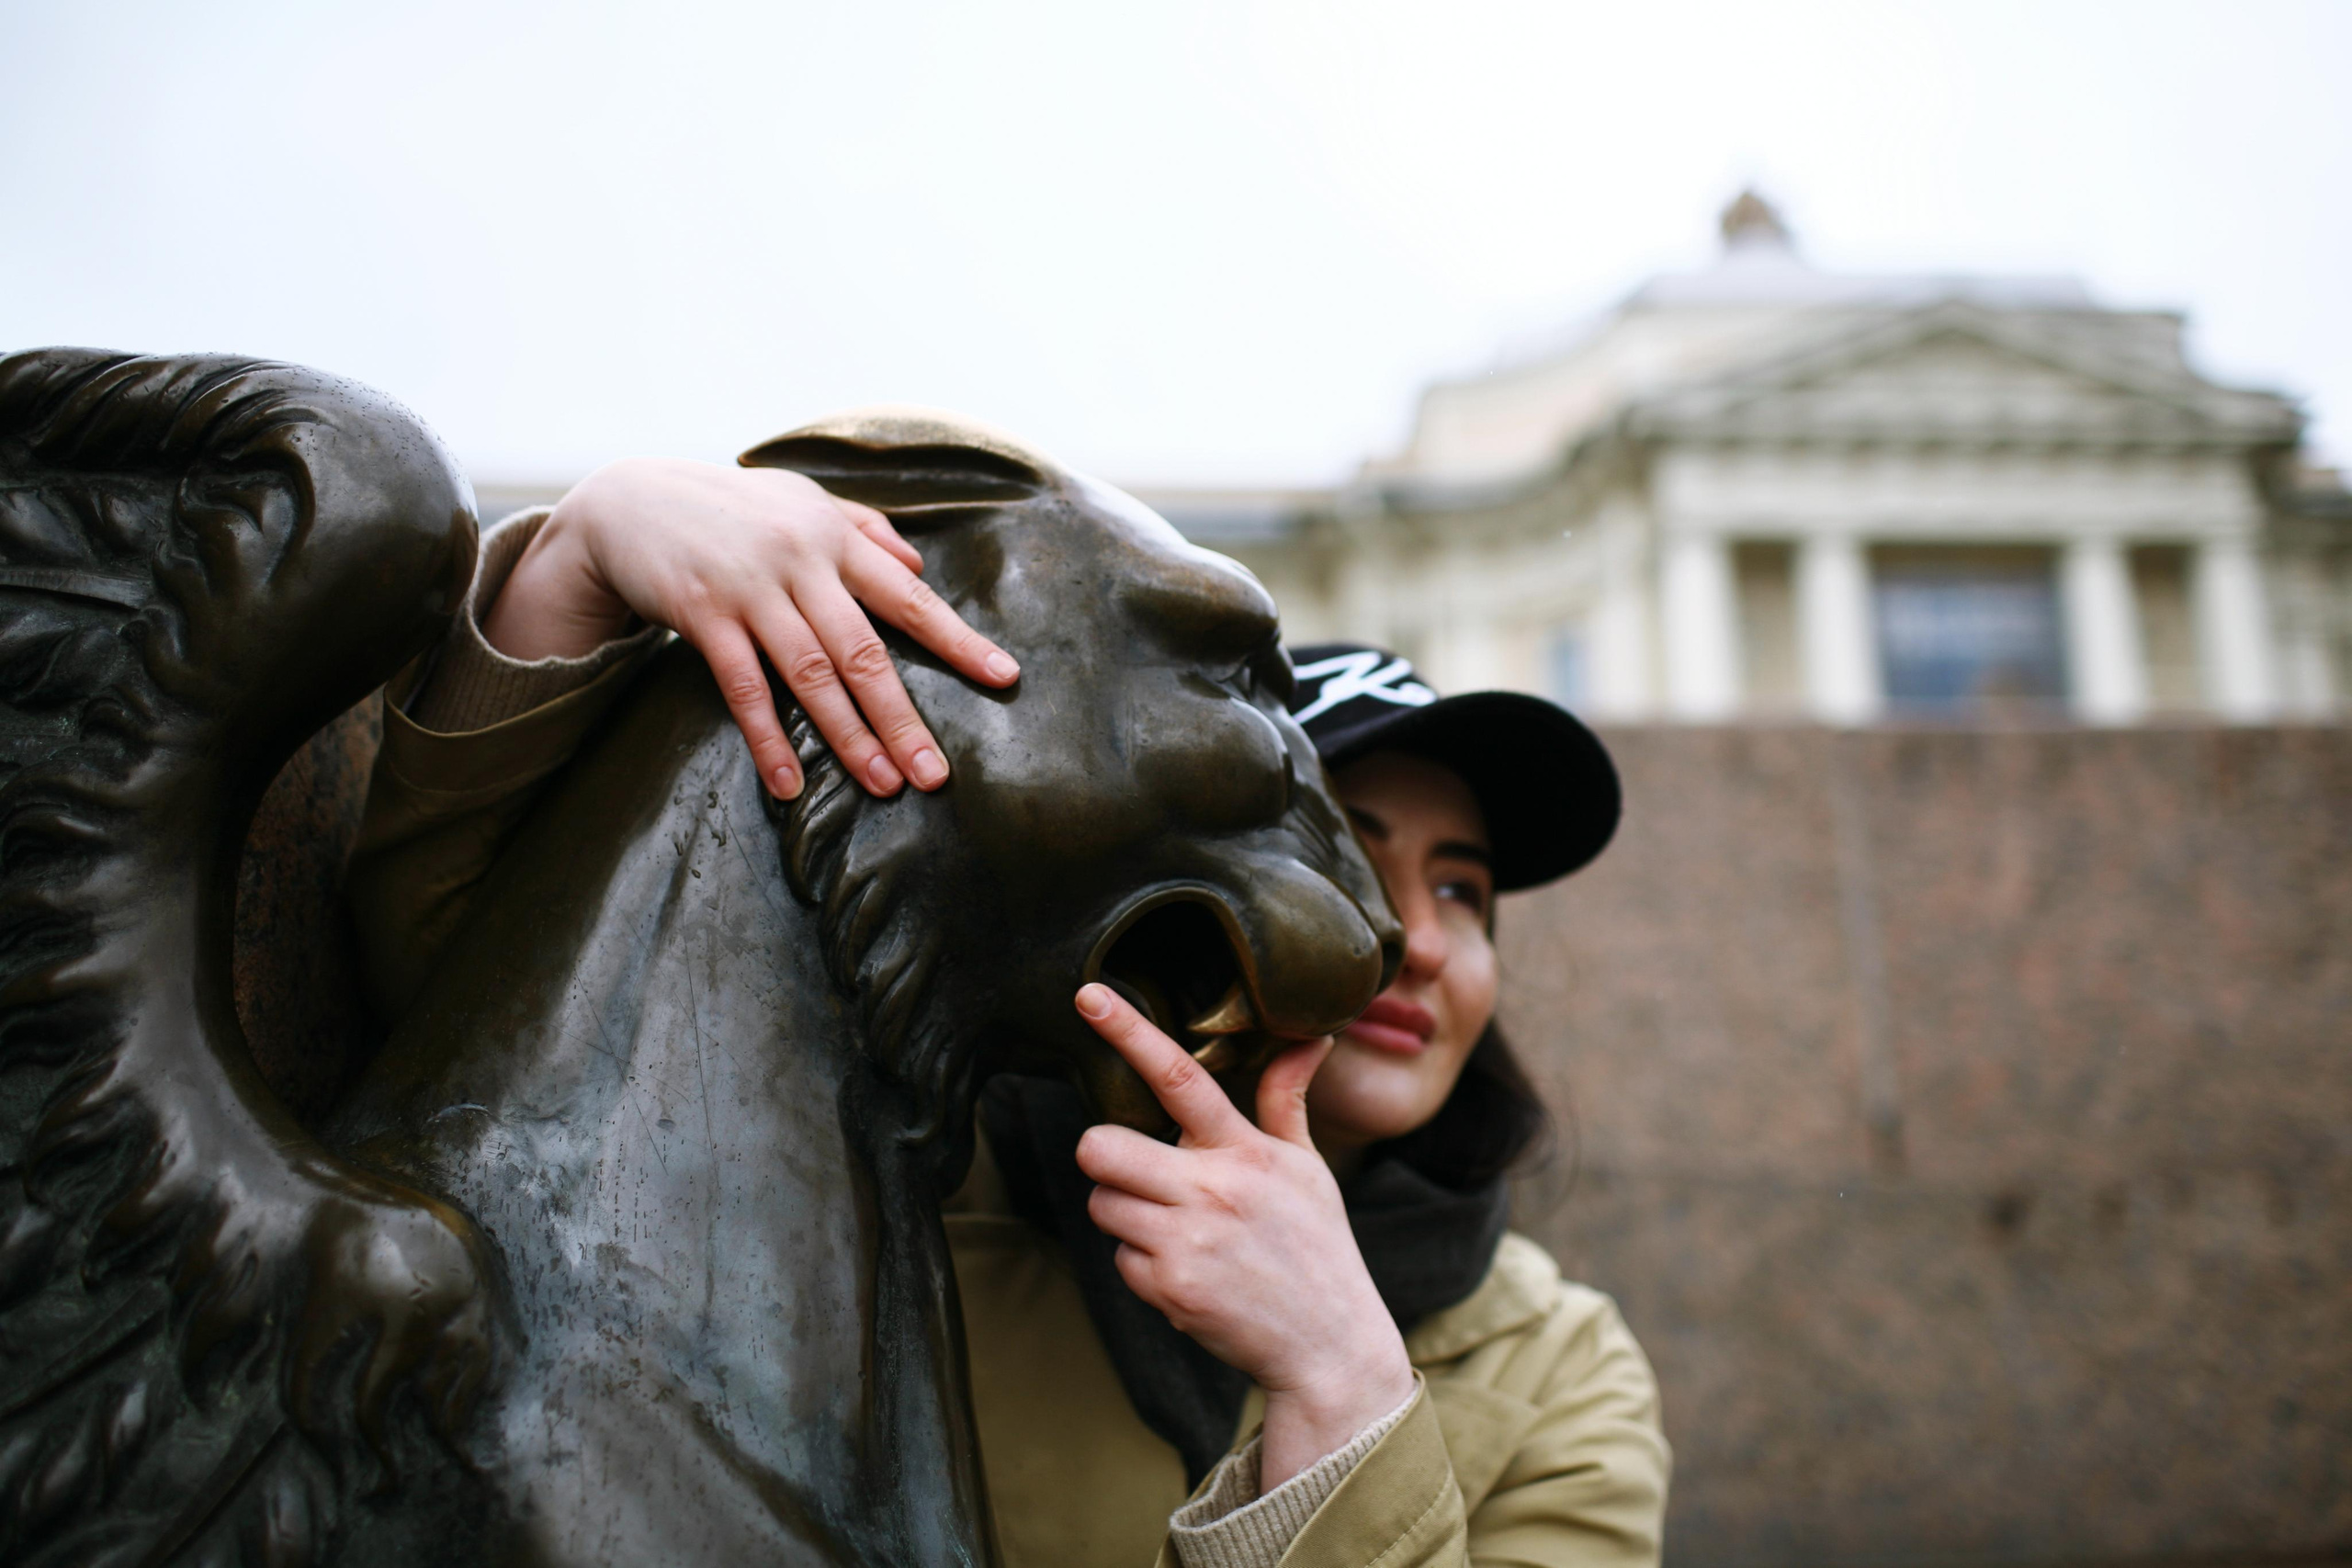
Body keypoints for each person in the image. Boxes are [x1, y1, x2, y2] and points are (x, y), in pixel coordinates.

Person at [349, 457, 1669, 1567]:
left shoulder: (1560, 1367)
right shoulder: (928, 1159)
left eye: (1466, 891)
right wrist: (583, 550)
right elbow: (489, 1014)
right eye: (1354, 849)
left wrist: (1341, 1382)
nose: (1414, 937)